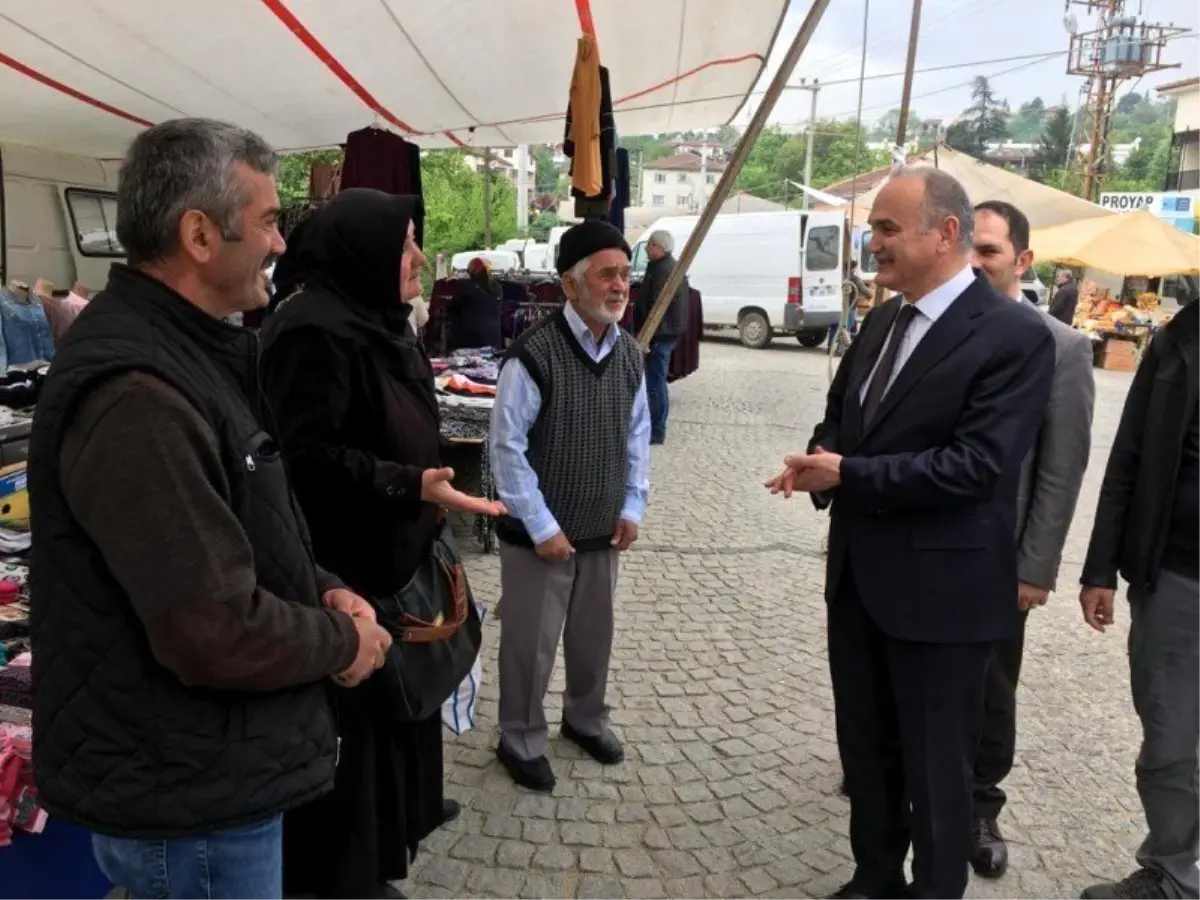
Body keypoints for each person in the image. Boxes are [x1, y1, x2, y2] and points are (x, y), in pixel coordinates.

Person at [28, 118, 393, 900]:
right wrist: (343, 642)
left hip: (198, 773)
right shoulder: (138, 395)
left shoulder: (189, 353)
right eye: (266, 221)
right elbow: (211, 631)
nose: (277, 244)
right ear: (199, 233)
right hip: (185, 796)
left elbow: (235, 526)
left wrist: (319, 583)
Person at [767, 168, 1054, 900]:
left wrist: (849, 475)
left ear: (946, 233)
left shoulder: (1015, 336)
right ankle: (874, 876)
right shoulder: (883, 321)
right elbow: (843, 418)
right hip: (860, 581)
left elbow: (976, 467)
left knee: (936, 767)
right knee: (866, 750)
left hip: (944, 600)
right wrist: (818, 459)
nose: (873, 242)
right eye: (875, 228)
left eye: (889, 229)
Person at [258, 188, 503, 900]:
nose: (419, 259)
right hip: (349, 565)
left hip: (395, 554)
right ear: (360, 252)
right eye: (403, 245)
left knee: (404, 710)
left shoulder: (377, 320)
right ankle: (351, 875)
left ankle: (399, 828)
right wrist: (409, 483)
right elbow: (301, 458)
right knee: (360, 734)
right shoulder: (311, 331)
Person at [490, 219, 650, 792]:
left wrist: (632, 507)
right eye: (607, 273)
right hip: (541, 537)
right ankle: (520, 737)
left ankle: (585, 719)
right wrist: (540, 526)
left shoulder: (630, 354)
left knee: (593, 638)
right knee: (530, 646)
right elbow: (505, 450)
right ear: (570, 284)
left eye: (626, 274)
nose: (619, 285)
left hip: (602, 530)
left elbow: (636, 438)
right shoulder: (531, 356)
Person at [968, 201, 1095, 879]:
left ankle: (981, 805)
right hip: (926, 548)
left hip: (1002, 556)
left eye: (990, 251)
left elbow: (1062, 466)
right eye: (971, 249)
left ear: (1023, 261)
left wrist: (1037, 566)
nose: (977, 263)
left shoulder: (1064, 347)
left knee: (991, 685)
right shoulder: (929, 328)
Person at [1076, 290, 1200, 900]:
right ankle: (1172, 872)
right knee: (1170, 738)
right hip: (1177, 579)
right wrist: (1100, 568)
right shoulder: (1179, 341)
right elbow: (1127, 457)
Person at [636, 229, 688, 445]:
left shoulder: (664, 269)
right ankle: (655, 426)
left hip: (660, 334)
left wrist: (646, 336)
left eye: (650, 244)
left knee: (655, 383)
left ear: (660, 247)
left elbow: (656, 306)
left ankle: (657, 429)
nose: (647, 248)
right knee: (654, 381)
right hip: (662, 332)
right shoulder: (662, 267)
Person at [446, 256, 503, 352]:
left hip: (470, 339)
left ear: (471, 271)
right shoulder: (497, 287)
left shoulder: (466, 287)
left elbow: (453, 308)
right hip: (494, 337)